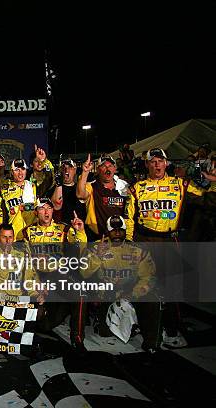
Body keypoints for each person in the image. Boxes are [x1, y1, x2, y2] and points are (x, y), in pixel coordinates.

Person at [124, 148, 205, 348]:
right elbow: (129, 218)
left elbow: (206, 198)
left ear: (166, 163)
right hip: (145, 240)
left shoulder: (181, 185)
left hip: (170, 240)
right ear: (147, 165)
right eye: (153, 161)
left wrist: (210, 181)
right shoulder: (137, 188)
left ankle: (171, 329)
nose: (157, 165)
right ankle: (150, 335)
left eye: (160, 161)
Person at [81, 215, 161, 352]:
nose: (117, 233)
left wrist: (133, 294)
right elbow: (84, 273)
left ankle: (151, 342)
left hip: (130, 292)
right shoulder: (96, 247)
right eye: (113, 230)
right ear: (107, 231)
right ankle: (114, 321)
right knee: (104, 332)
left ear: (125, 231)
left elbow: (149, 277)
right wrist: (97, 256)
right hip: (106, 294)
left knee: (153, 299)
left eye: (120, 230)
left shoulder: (138, 249)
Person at [22, 198, 88, 352]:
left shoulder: (63, 229)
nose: (46, 212)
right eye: (42, 208)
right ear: (36, 212)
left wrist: (80, 231)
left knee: (80, 292)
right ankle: (60, 309)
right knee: (43, 325)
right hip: (38, 277)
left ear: (53, 211)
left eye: (49, 208)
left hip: (58, 275)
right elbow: (25, 263)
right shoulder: (27, 232)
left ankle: (77, 338)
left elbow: (81, 247)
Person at [77, 154, 128, 240]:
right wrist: (85, 172)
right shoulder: (92, 186)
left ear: (115, 169)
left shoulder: (124, 187)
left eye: (110, 166)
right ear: (98, 170)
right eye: (104, 166)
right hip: (98, 238)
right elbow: (80, 194)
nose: (107, 169)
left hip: (120, 238)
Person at [0, 158, 37, 240]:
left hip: (32, 236)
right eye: (17, 170)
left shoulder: (33, 186)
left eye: (23, 169)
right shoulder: (4, 189)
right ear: (12, 172)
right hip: (14, 236)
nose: (20, 173)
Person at [51, 158, 86, 225]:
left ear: (75, 170)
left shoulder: (79, 189)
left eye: (70, 167)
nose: (66, 170)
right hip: (60, 229)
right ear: (60, 170)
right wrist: (58, 184)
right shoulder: (54, 189)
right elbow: (56, 205)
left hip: (78, 228)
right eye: (63, 167)